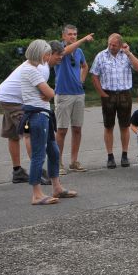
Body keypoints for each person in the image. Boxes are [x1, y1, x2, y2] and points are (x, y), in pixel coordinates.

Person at [0, 41, 64, 183]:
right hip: (14, 101)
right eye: (57, 55)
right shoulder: (42, 68)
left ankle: (17, 171)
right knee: (30, 133)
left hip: (6, 96)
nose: (60, 58)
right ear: (47, 54)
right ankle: (37, 172)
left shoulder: (35, 64)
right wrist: (49, 95)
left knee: (13, 135)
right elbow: (45, 94)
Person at [19, 40, 77, 205]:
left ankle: (57, 187)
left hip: (44, 114)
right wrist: (48, 92)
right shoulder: (31, 70)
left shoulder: (36, 68)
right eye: (46, 53)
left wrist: (48, 93)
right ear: (39, 52)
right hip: (37, 115)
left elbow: (49, 93)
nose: (48, 57)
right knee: (39, 155)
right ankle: (36, 194)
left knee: (54, 151)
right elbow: (51, 93)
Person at [90, 33, 138, 169]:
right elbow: (94, 75)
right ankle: (110, 156)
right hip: (108, 94)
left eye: (114, 45)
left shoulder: (126, 55)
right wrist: (102, 93)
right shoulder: (101, 56)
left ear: (120, 45)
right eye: (109, 44)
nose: (111, 47)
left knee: (125, 126)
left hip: (124, 94)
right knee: (108, 126)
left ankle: (124, 155)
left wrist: (129, 53)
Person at [54, 24, 94, 175]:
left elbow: (85, 66)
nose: (73, 37)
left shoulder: (79, 51)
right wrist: (83, 39)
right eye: (70, 34)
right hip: (63, 94)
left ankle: (74, 161)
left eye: (75, 34)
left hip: (78, 93)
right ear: (63, 36)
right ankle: (58, 163)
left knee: (77, 129)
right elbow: (65, 52)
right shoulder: (59, 48)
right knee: (62, 130)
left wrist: (81, 80)